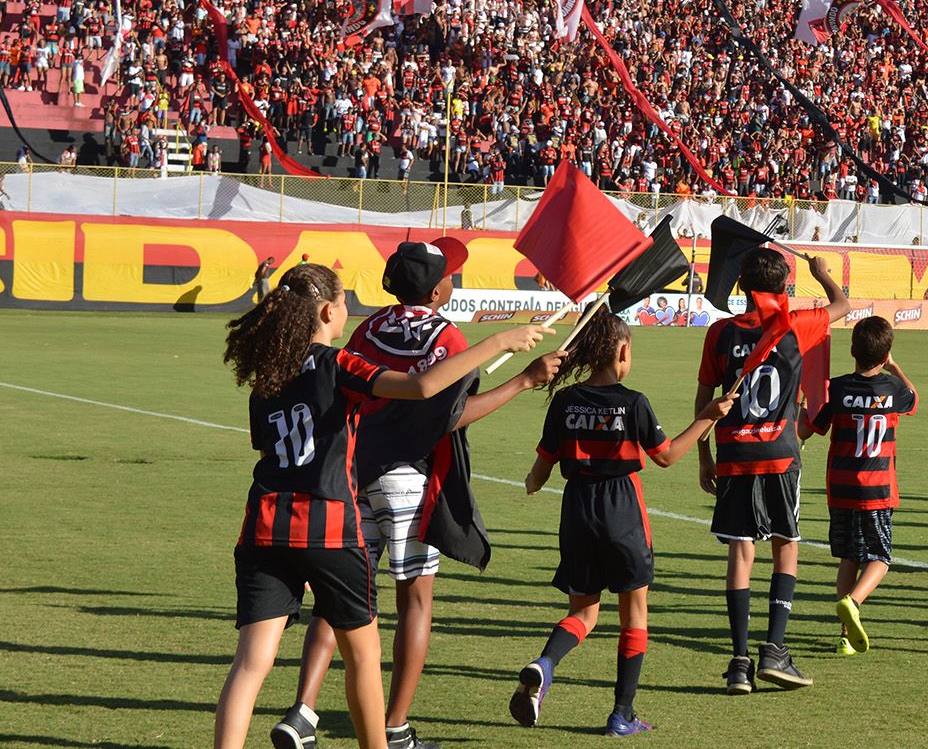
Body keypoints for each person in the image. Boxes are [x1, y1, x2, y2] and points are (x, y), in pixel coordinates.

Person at [214, 263, 548, 749]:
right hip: (329, 527)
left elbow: (265, 446)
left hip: (263, 528)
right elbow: (422, 388)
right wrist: (499, 343)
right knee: (364, 659)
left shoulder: (266, 378)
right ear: (328, 311)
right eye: (345, 304)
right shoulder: (336, 362)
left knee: (248, 666)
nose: (348, 313)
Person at [510, 310, 731, 735]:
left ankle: (545, 663)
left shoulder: (565, 401)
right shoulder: (633, 402)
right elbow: (665, 456)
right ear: (623, 351)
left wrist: (532, 484)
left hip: (576, 511)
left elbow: (540, 471)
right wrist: (707, 416)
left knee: (583, 612)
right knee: (634, 615)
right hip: (623, 510)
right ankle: (621, 714)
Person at [695, 249, 850, 693]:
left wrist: (705, 454)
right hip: (780, 454)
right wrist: (823, 275)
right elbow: (843, 306)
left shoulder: (720, 333)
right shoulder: (795, 325)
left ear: (742, 286)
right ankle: (775, 651)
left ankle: (740, 663)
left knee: (740, 554)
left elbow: (704, 397)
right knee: (785, 546)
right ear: (784, 287)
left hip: (734, 453)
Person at [804, 316, 918, 655]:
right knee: (880, 557)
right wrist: (895, 368)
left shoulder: (835, 389)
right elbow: (914, 395)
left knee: (848, 557)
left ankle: (845, 636)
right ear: (885, 356)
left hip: (841, 487)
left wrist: (805, 396)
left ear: (852, 350)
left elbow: (808, 429)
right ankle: (853, 602)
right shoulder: (893, 390)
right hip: (877, 488)